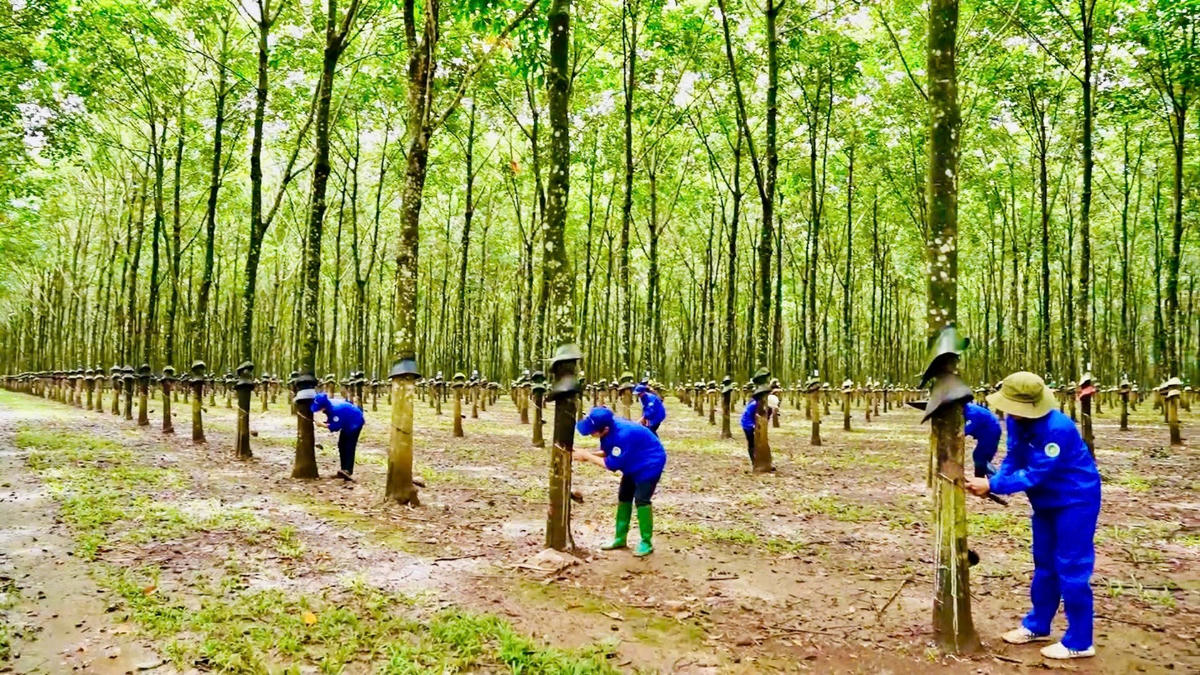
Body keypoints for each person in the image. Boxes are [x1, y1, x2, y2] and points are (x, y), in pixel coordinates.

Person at [965, 371, 1102, 660]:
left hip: (1075, 500)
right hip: (1045, 503)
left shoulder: (1057, 428)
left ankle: (1080, 641)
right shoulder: (1016, 421)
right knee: (1044, 564)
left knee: (1071, 567)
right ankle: (1038, 625)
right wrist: (995, 480)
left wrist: (993, 485)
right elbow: (1013, 457)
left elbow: (1036, 473)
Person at [571, 406, 667, 556]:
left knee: (641, 499)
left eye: (592, 431)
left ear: (605, 429)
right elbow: (608, 452)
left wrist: (588, 456)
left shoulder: (623, 434)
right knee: (624, 496)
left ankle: (646, 542)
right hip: (632, 460)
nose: (590, 434)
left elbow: (611, 464)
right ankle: (620, 538)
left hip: (650, 463)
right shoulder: (609, 430)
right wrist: (588, 455)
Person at [311, 391, 365, 481]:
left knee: (349, 446)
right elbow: (334, 420)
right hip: (346, 420)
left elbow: (335, 427)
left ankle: (348, 470)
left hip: (355, 422)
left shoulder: (335, 410)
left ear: (323, 406)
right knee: (341, 444)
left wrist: (322, 425)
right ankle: (344, 469)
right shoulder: (329, 406)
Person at [964, 400, 1001, 477]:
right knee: (979, 457)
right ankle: (979, 478)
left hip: (991, 431)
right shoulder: (967, 409)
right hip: (985, 431)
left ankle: (994, 477)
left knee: (981, 457)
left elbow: (966, 430)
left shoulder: (972, 412)